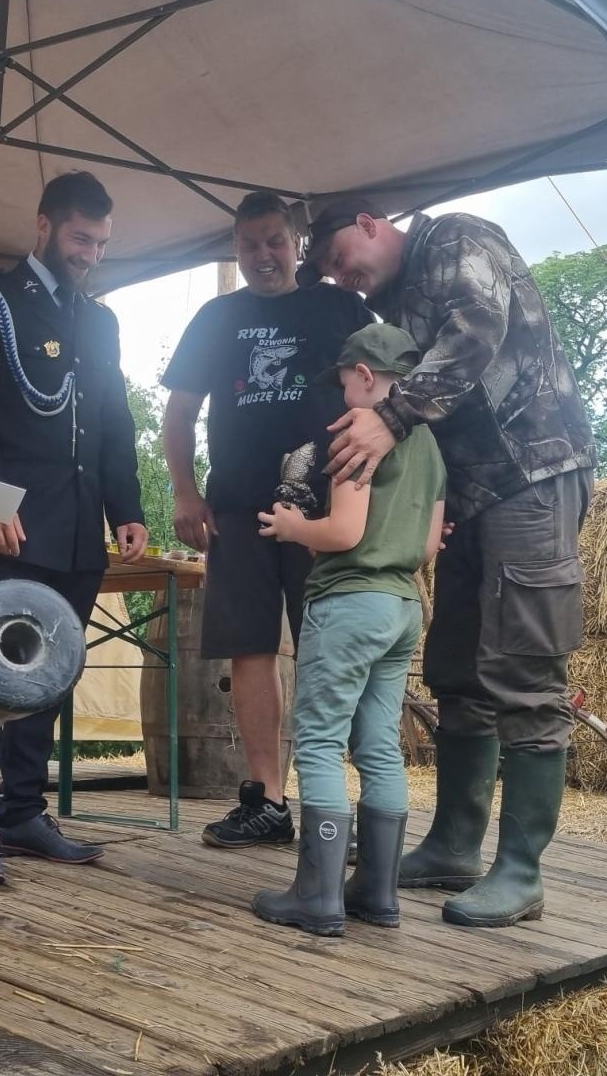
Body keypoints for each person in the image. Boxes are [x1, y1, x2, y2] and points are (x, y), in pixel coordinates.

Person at [302, 198, 594, 929]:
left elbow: (476, 330)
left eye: (342, 259)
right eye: (333, 274)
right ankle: (456, 844)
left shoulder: (458, 239)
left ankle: (522, 870)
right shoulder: (393, 298)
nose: (344, 279)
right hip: (472, 492)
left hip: (533, 472)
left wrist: (393, 419)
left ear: (371, 221)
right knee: (458, 666)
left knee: (526, 669)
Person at [0, 171, 147, 885]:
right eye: (79, 237)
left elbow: (115, 421)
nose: (89, 253)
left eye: (100, 242)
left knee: (49, 679)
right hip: (10, 523)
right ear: (44, 226)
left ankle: (23, 811)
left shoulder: (102, 320)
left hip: (78, 530)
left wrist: (129, 509)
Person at [161, 192, 370, 848]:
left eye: (274, 241)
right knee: (250, 649)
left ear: (296, 243)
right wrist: (185, 494)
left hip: (327, 511)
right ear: (236, 248)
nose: (263, 256)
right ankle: (269, 803)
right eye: (249, 245)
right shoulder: (216, 317)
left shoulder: (339, 307)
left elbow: (391, 392)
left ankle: (351, 802)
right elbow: (178, 415)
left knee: (331, 652)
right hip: (237, 511)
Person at [250, 324, 446, 936]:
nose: (342, 398)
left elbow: (343, 533)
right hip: (401, 606)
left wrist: (290, 527)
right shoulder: (433, 448)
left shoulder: (357, 434)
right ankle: (377, 894)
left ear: (364, 375)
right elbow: (432, 542)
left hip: (349, 599)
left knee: (319, 742)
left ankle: (317, 894)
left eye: (343, 382)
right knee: (381, 746)